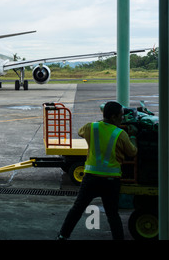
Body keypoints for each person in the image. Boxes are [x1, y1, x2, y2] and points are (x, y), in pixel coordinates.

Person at [57, 101, 138, 240]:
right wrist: (133, 137)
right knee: (112, 214)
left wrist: (102, 123)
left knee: (77, 209)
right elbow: (132, 152)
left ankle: (63, 236)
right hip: (111, 181)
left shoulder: (91, 127)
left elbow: (80, 132)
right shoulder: (120, 134)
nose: (122, 119)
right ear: (113, 117)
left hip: (90, 179)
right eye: (120, 116)